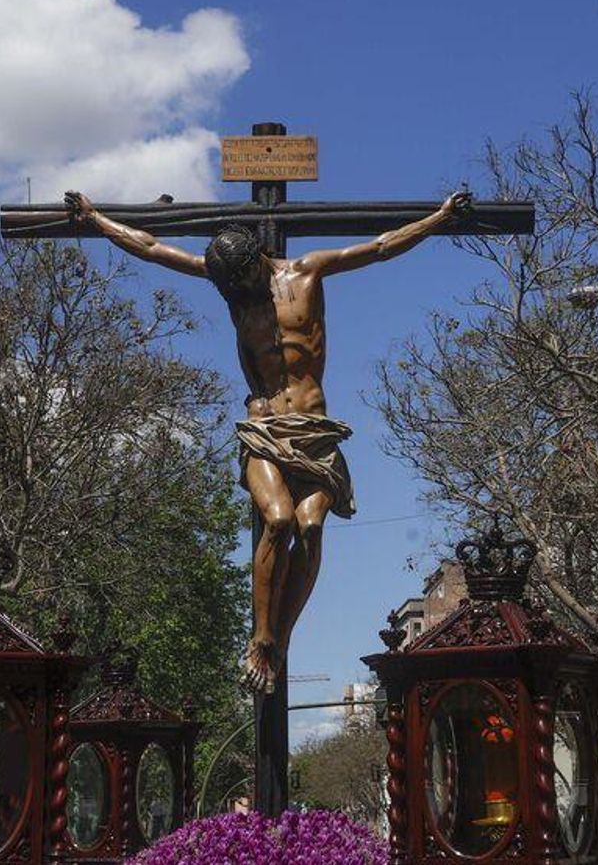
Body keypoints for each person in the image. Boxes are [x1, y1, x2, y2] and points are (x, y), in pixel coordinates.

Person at [66, 189, 473, 694]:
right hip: (262, 429)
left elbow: (382, 245)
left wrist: (437, 217)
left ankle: (282, 637)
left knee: (311, 528)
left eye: (242, 283)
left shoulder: (307, 272)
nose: (236, 295)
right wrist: (95, 217)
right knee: (278, 519)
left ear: (258, 262)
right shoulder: (233, 289)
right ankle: (261, 636)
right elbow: (151, 247)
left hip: (314, 430)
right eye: (228, 288)